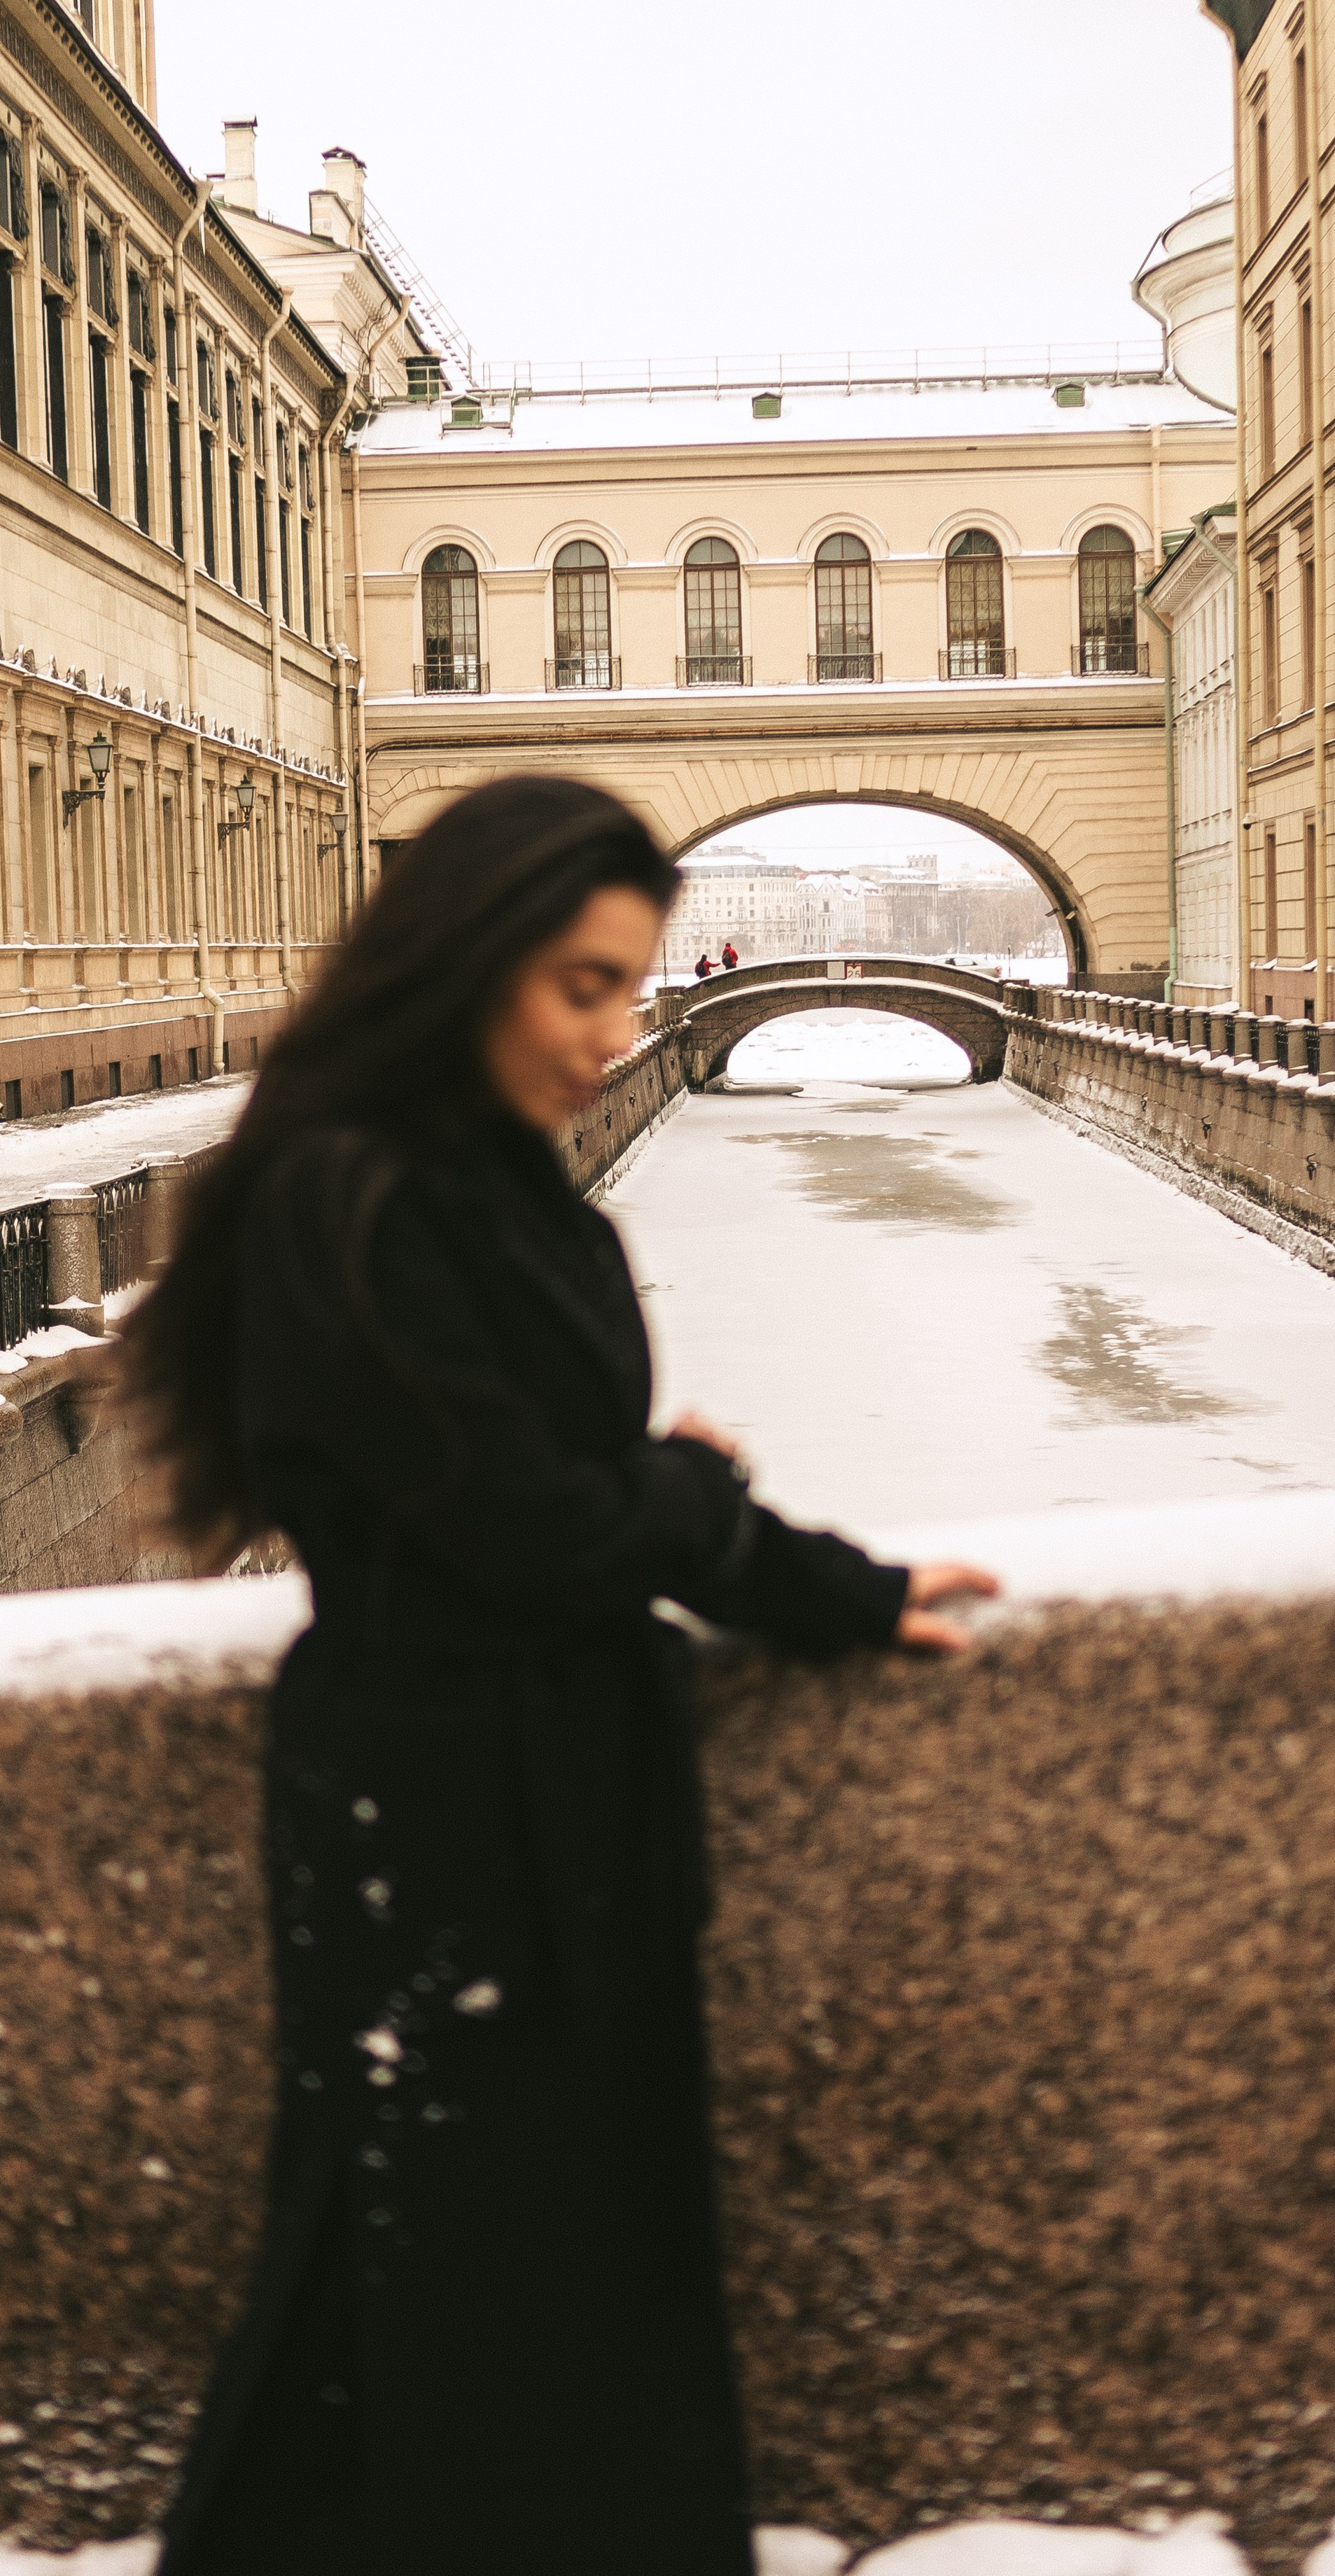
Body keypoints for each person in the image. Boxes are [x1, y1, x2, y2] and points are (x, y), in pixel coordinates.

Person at [123, 775, 997, 2576]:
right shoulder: (349, 1198)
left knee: (552, 2274)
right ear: (464, 962)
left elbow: (567, 1508)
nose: (616, 1033)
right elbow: (537, 1524)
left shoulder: (457, 1178)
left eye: (630, 988)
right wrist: (686, 1486)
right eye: (581, 987)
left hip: (540, 1795)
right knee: (451, 2283)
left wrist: (835, 1588)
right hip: (441, 1811)